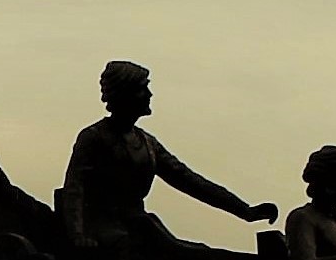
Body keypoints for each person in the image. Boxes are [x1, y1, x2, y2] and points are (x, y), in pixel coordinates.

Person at [60, 60, 277, 249]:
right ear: (125, 94)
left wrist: (245, 210)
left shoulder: (147, 143)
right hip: (104, 229)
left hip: (138, 225)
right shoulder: (94, 137)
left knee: (197, 255)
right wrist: (78, 235)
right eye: (142, 89)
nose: (149, 94)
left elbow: (189, 180)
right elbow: (75, 188)